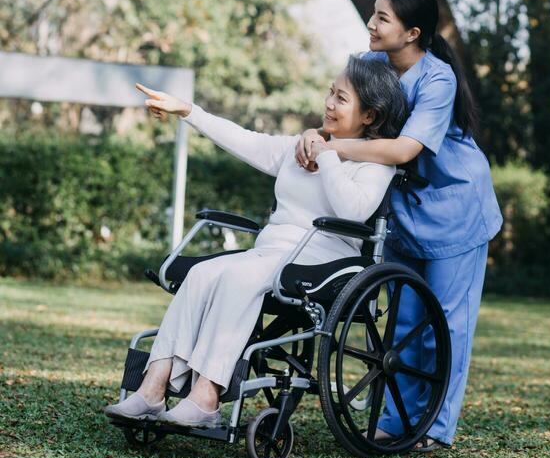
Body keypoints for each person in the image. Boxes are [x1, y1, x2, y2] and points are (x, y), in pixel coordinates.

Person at [104, 55, 407, 430]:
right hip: (273, 251)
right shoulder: (302, 146)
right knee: (201, 274)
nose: (328, 103)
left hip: (325, 259)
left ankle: (207, 397)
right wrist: (188, 111)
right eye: (330, 92)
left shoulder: (376, 164)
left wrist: (328, 154)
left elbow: (353, 211)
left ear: (369, 116)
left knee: (240, 276)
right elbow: (246, 140)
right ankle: (151, 390)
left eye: (341, 98)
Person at [295, 0, 502, 451]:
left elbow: (405, 149)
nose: (371, 24)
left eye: (382, 18)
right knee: (405, 322)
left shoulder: (438, 79)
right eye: (373, 14)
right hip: (405, 213)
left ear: (412, 33)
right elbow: (342, 113)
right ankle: (397, 420)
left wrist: (333, 148)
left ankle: (435, 428)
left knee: (446, 326)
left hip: (457, 210)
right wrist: (317, 134)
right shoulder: (369, 65)